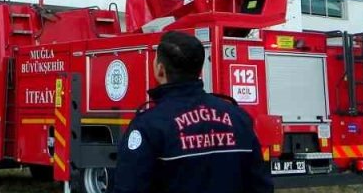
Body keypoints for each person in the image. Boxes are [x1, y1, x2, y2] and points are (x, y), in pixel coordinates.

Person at [114, 31, 272, 193]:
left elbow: (129, 187)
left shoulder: (148, 126)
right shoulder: (239, 118)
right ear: (200, 70)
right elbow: (261, 185)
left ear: (160, 70)